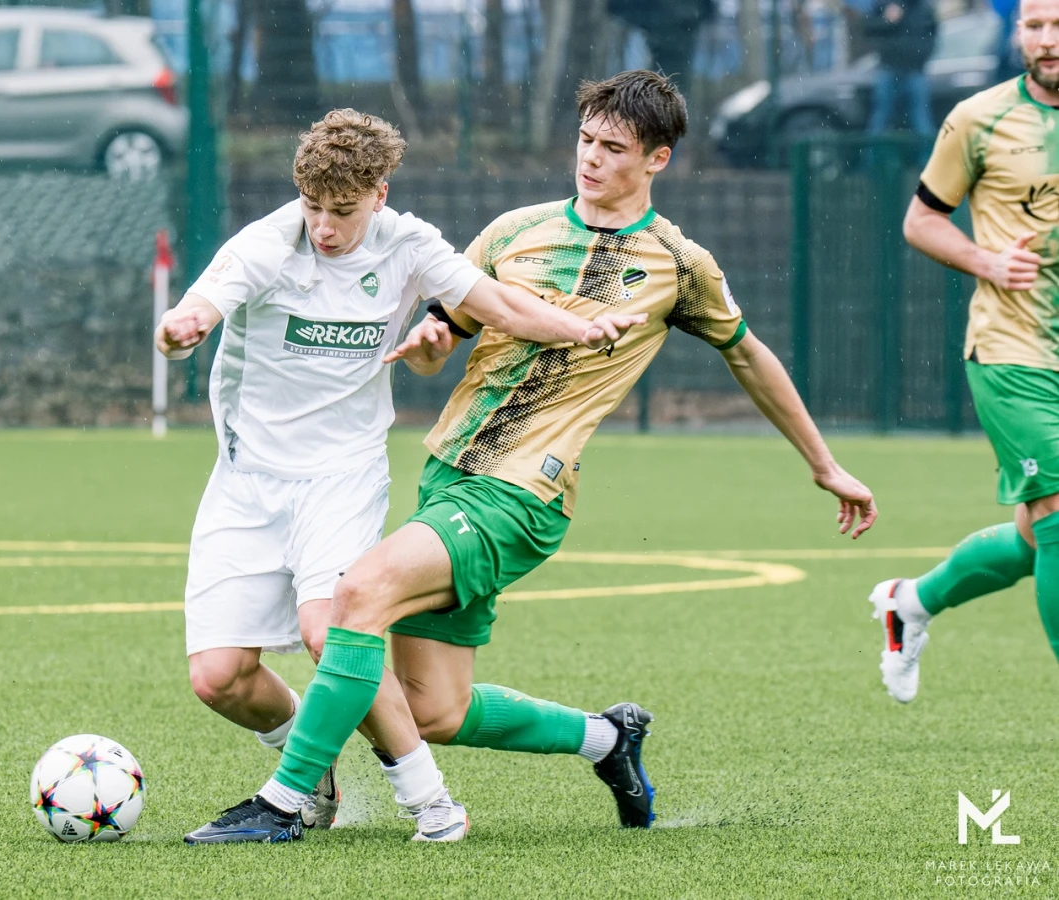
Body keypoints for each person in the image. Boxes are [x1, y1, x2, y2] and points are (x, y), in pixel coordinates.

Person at [184, 70, 879, 845]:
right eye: (585, 139)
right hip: (448, 476)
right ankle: (607, 739)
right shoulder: (514, 231)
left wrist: (824, 464)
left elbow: (748, 355)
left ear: (658, 159)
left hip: (521, 493)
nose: (590, 158)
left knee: (355, 598)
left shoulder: (679, 263)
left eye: (613, 147)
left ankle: (286, 802)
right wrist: (429, 345)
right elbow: (448, 332)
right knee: (434, 710)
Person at [160, 109, 646, 843]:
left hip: (342, 475)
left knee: (332, 628)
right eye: (313, 206)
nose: (324, 227)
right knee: (218, 678)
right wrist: (182, 329)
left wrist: (578, 327)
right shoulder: (267, 243)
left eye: (343, 210)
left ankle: (431, 806)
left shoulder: (409, 244)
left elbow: (496, 303)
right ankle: (312, 768)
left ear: (379, 195)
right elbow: (202, 304)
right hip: (246, 478)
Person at [872, 0, 1059, 703]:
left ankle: (911, 602)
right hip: (1015, 349)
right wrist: (988, 262)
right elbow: (921, 221)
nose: (1047, 39)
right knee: (1058, 513)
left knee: (1035, 535)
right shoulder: (979, 118)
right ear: (1018, 32)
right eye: (1035, 25)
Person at [865, 0, 938, 141]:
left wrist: (920, 57)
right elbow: (868, 28)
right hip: (889, 67)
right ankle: (874, 153)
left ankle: (927, 153)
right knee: (881, 116)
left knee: (920, 117)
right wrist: (887, 21)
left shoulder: (922, 7)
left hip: (914, 69)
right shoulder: (885, 4)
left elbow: (932, 35)